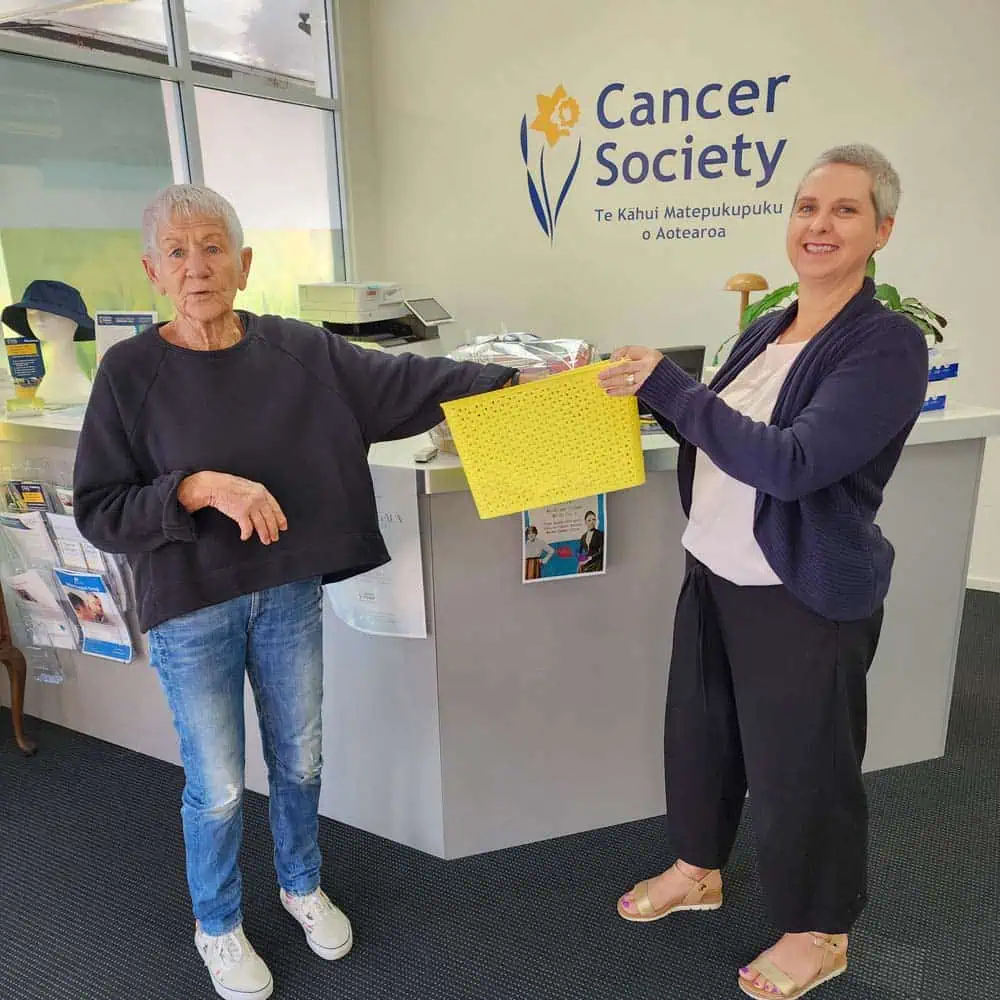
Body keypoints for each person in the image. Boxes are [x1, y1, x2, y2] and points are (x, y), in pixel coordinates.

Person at [73, 183, 531, 1000]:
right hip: (191, 605)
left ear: (244, 264)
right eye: (176, 252)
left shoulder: (299, 350)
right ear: (152, 271)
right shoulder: (128, 373)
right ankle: (217, 925)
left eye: (212, 247)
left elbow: (410, 381)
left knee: (301, 758)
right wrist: (195, 488)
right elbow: (100, 510)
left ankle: (300, 884)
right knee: (217, 786)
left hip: (285, 593)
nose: (196, 266)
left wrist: (519, 379)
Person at [598, 145, 928, 999]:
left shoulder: (886, 344)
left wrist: (673, 388)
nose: (819, 225)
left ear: (882, 231)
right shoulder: (767, 327)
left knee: (802, 769)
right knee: (701, 735)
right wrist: (643, 396)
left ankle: (819, 931)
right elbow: (718, 433)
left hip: (803, 589)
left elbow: (792, 464)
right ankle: (698, 868)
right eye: (807, 207)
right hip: (715, 568)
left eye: (845, 210)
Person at [576, 509, 604, 573]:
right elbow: (579, 552)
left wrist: (589, 559)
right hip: (586, 564)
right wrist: (580, 562)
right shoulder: (583, 537)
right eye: (589, 520)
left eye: (594, 519)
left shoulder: (600, 534)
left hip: (597, 563)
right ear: (585, 522)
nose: (592, 522)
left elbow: (602, 552)